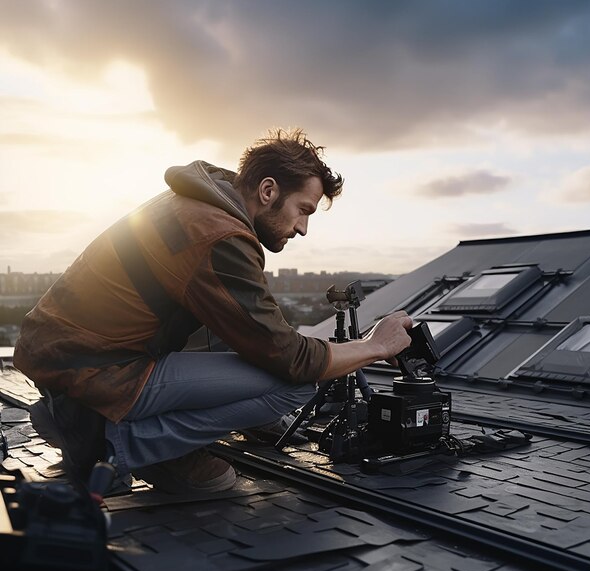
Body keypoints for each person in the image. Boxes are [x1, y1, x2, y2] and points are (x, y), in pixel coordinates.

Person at [14, 129, 413, 495]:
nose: (303, 228)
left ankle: (72, 418)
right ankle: (118, 444)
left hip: (66, 360)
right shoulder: (219, 235)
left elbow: (240, 326)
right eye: (303, 209)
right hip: (98, 372)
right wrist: (375, 346)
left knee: (259, 352)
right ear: (269, 190)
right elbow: (291, 359)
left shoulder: (194, 204)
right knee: (297, 384)